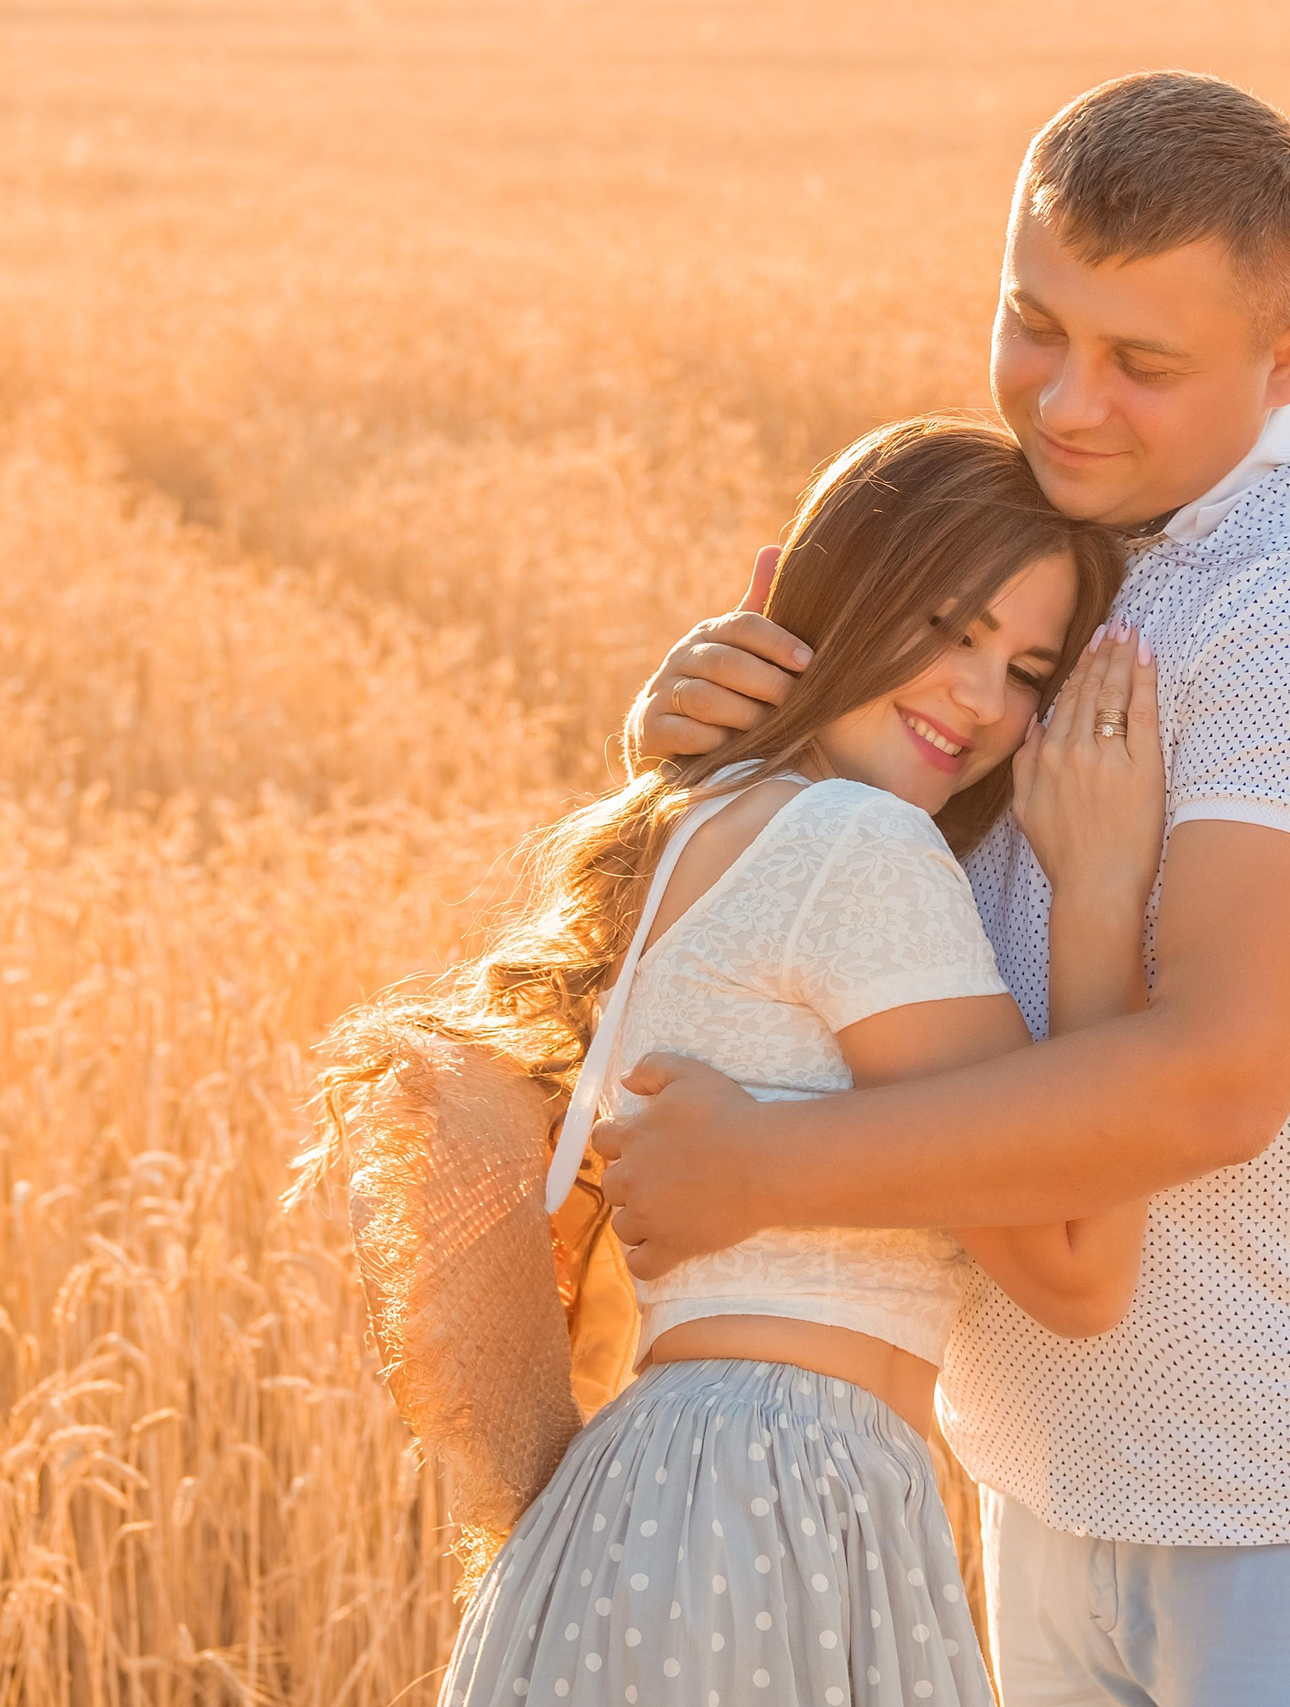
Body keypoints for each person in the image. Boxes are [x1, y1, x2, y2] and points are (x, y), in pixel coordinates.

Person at [602, 71, 1290, 1706]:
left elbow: (1217, 1079)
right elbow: (854, 907)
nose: (1067, 402)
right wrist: (712, 749)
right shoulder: (1030, 548)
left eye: (1142, 364)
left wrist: (764, 1168)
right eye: (1034, 325)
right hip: (1040, 1492)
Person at [428, 415, 1172, 1707]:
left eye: (1024, 670)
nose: (978, 700)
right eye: (947, 630)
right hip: (770, 1500)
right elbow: (1077, 1267)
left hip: (667, 1503)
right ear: (841, 597)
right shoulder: (855, 848)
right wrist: (1103, 897)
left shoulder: (711, 819)